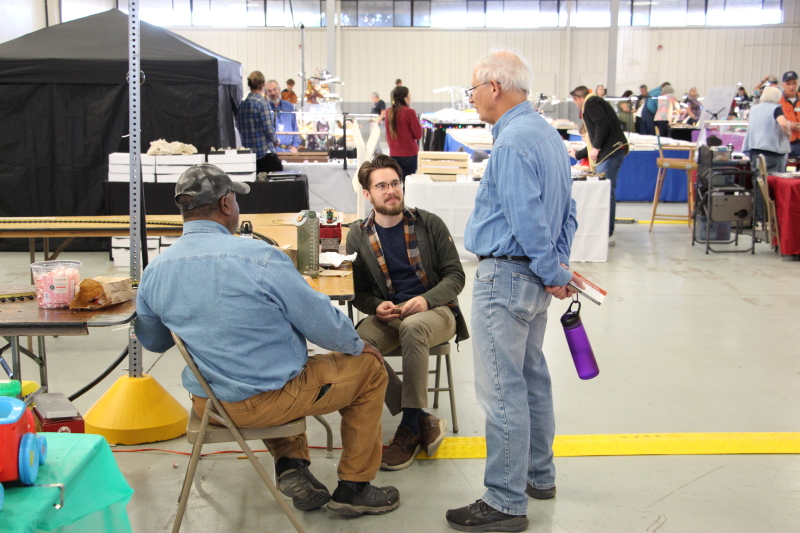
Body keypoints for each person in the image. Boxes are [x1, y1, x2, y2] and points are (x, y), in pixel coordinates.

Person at [134, 164, 401, 517]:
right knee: (366, 369)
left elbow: (154, 341)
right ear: (226, 204)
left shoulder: (155, 270)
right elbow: (320, 323)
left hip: (209, 403)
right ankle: (356, 488)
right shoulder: (260, 258)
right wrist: (355, 344)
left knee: (273, 367)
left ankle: (291, 464)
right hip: (268, 401)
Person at [445, 49, 581, 533]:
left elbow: (526, 219)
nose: (472, 98)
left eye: (472, 89)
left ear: (494, 87)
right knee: (530, 379)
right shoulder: (547, 136)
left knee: (502, 390)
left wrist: (550, 268)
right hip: (532, 283)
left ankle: (504, 500)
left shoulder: (510, 144)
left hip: (506, 278)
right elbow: (568, 212)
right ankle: (538, 475)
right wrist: (555, 267)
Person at [346, 154, 469, 471]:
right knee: (354, 344)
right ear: (367, 194)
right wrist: (376, 306)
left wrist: (427, 300)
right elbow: (359, 291)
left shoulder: (429, 224)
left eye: (395, 183)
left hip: (437, 312)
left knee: (414, 328)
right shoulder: (358, 235)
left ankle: (410, 427)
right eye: (381, 186)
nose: (391, 191)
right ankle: (422, 418)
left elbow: (456, 276)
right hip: (391, 314)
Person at [570, 85, 628, 243]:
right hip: (609, 152)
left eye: (575, 102)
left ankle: (607, 233)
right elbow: (595, 135)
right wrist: (578, 154)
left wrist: (596, 148)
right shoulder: (595, 102)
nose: (576, 105)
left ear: (579, 98)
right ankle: (604, 231)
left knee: (606, 192)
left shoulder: (591, 103)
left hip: (610, 153)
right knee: (605, 191)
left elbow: (602, 124)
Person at [743, 86, 793, 223]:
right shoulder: (776, 109)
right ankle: (772, 218)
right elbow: (783, 124)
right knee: (774, 186)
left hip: (755, 151)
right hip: (773, 153)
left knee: (759, 186)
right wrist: (788, 133)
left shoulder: (754, 109)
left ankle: (759, 219)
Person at [238, 71, 283, 173]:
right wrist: (276, 141)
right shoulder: (263, 103)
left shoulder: (242, 105)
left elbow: (239, 128)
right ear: (263, 84)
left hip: (248, 155)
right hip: (264, 154)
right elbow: (269, 129)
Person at [385, 86, 423, 179]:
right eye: (410, 96)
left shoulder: (388, 112)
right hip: (409, 154)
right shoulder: (409, 112)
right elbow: (418, 135)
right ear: (405, 98)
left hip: (394, 154)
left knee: (396, 182)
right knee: (408, 183)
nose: (410, 98)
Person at [264, 79, 301, 153]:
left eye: (274, 89)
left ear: (280, 90)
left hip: (289, 151)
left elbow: (295, 128)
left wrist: (295, 146)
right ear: (266, 93)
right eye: (269, 91)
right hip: (271, 151)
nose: (273, 93)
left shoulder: (289, 106)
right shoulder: (264, 108)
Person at [779, 71, 800, 158]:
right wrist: (788, 125)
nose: (791, 87)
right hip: (784, 142)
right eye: (788, 84)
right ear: (783, 85)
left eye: (794, 83)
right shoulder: (778, 100)